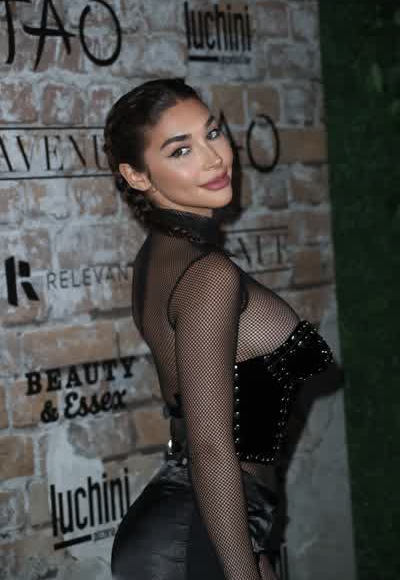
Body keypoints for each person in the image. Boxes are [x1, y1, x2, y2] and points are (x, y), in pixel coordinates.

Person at [103, 78, 334, 580]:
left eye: (212, 133)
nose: (213, 158)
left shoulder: (162, 256)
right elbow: (211, 445)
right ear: (137, 176)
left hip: (207, 523)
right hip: (204, 531)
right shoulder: (207, 275)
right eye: (181, 150)